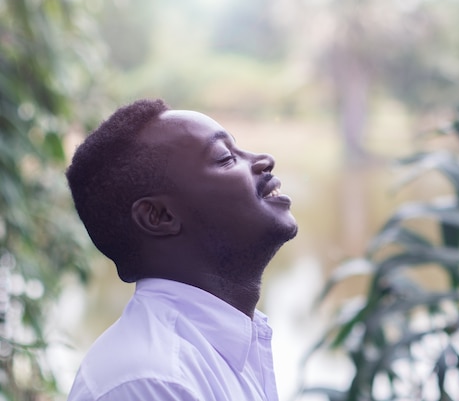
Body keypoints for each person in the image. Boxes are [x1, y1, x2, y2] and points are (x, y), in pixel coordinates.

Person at [65, 99, 298, 401]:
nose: (264, 159)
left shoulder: (222, 349)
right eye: (225, 157)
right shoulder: (152, 381)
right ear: (160, 217)